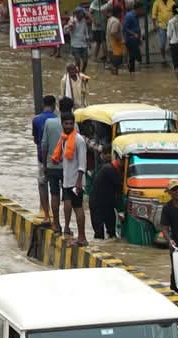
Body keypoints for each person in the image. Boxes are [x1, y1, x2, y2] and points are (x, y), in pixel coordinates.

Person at [51, 111, 91, 244]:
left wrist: (79, 182)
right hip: (67, 180)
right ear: (62, 124)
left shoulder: (78, 140)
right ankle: (77, 235)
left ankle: (82, 237)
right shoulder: (64, 139)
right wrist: (59, 160)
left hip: (75, 182)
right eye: (66, 123)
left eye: (71, 124)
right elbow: (68, 160)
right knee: (72, 205)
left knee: (78, 207)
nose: (68, 126)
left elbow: (82, 163)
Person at [33, 95, 64, 231]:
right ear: (54, 105)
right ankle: (60, 220)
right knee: (58, 190)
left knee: (42, 185)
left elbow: (36, 140)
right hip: (59, 159)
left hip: (42, 158)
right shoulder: (57, 120)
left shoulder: (36, 120)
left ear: (43, 104)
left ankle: (46, 215)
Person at [88, 151, 123, 240]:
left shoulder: (113, 169)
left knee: (112, 232)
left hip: (107, 204)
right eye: (122, 160)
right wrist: (120, 211)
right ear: (117, 159)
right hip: (97, 203)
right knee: (99, 233)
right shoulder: (109, 170)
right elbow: (119, 190)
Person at [67, 5, 93, 70]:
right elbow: (67, 29)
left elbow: (86, 32)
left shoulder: (84, 21)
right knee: (78, 61)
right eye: (82, 13)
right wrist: (70, 26)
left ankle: (83, 72)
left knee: (85, 61)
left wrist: (88, 42)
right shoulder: (72, 20)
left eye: (83, 13)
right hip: (75, 45)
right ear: (77, 14)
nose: (83, 14)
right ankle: (78, 74)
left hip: (84, 44)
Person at [105, 7, 126, 74]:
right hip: (115, 47)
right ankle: (114, 72)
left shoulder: (110, 19)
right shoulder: (116, 21)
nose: (121, 14)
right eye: (121, 13)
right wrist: (121, 39)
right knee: (116, 65)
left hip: (110, 45)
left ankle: (114, 77)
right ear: (118, 13)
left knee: (114, 65)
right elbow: (113, 33)